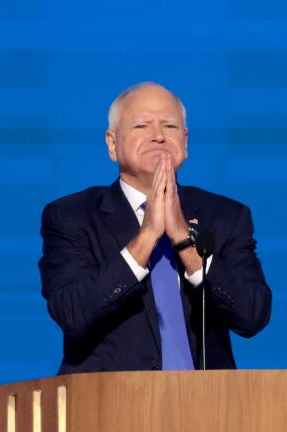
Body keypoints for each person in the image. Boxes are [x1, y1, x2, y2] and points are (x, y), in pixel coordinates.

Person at [38, 82, 271, 373]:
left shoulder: (225, 216)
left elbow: (253, 315)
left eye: (170, 126)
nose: (158, 136)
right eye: (141, 126)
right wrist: (146, 238)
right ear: (112, 144)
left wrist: (184, 240)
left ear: (185, 142)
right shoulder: (72, 216)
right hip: (107, 406)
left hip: (208, 407)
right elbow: (72, 313)